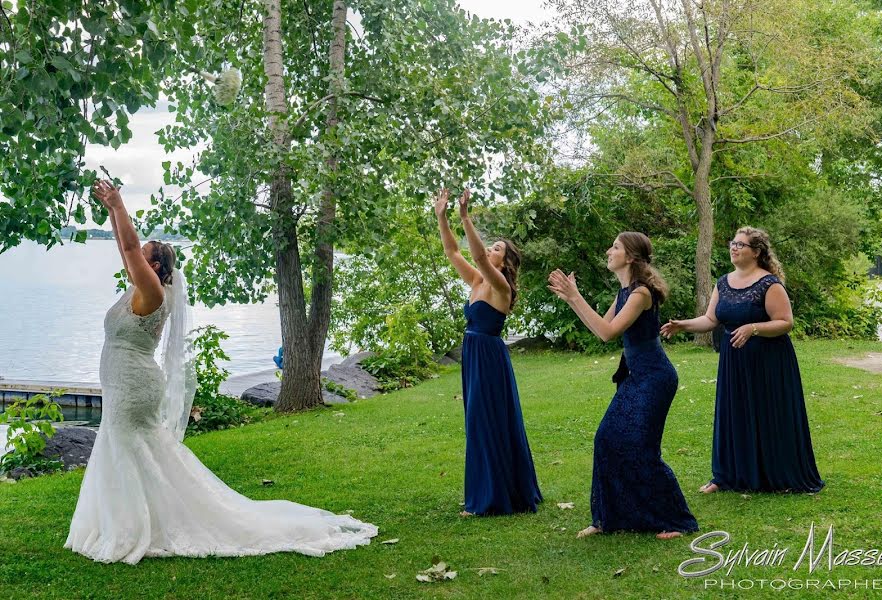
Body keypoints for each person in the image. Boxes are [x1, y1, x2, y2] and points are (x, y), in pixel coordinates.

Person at [65, 181, 377, 564]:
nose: (132, 258)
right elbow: (126, 248)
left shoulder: (153, 293)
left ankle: (136, 526)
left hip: (133, 385)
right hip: (123, 381)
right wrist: (113, 214)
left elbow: (130, 249)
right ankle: (130, 519)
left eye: (143, 255)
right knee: (132, 450)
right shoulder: (140, 284)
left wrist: (119, 203)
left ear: (155, 267)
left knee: (131, 450)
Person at [548, 232, 698, 540]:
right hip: (635, 377)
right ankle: (606, 517)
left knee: (642, 448)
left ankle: (677, 521)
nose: (608, 250)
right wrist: (571, 299)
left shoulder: (641, 293)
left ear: (629, 257)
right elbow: (601, 330)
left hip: (656, 378)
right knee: (606, 439)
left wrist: (576, 296)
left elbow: (608, 332)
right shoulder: (624, 293)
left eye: (614, 247)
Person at [661, 227, 824, 494]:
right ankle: (726, 476)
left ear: (756, 252)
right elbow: (711, 319)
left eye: (740, 244)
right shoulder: (723, 283)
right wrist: (684, 325)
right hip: (734, 361)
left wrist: (753, 328)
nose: (734, 247)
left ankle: (774, 475)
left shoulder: (769, 284)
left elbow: (785, 322)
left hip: (768, 362)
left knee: (768, 414)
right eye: (732, 243)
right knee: (734, 414)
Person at [434, 187, 542, 516]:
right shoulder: (478, 282)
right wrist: (442, 217)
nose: (489, 250)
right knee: (477, 419)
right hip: (474, 355)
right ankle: (492, 488)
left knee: (486, 419)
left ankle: (491, 498)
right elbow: (454, 253)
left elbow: (478, 256)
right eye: (491, 245)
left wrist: (465, 216)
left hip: (489, 357)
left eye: (496, 248)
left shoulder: (500, 287)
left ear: (505, 261)